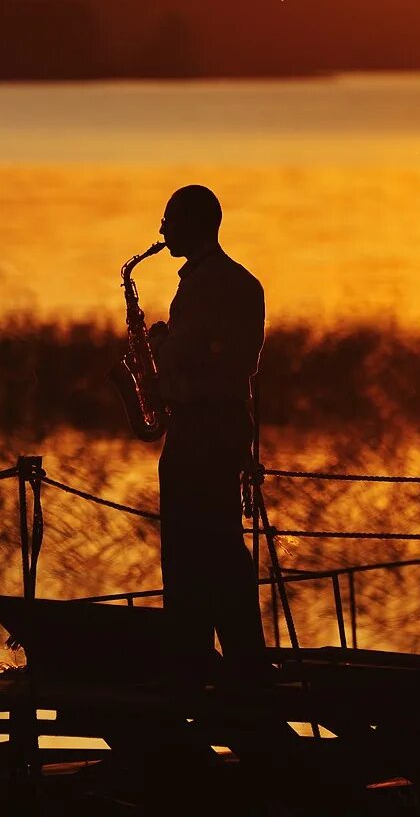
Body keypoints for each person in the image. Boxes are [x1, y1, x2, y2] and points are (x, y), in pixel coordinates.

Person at [149, 184, 270, 685]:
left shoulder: (201, 287)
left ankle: (196, 660)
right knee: (220, 541)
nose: (161, 231)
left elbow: (186, 362)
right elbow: (242, 365)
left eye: (169, 220)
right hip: (227, 429)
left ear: (195, 224)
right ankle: (241, 660)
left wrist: (156, 344)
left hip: (195, 430)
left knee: (187, 550)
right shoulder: (245, 283)